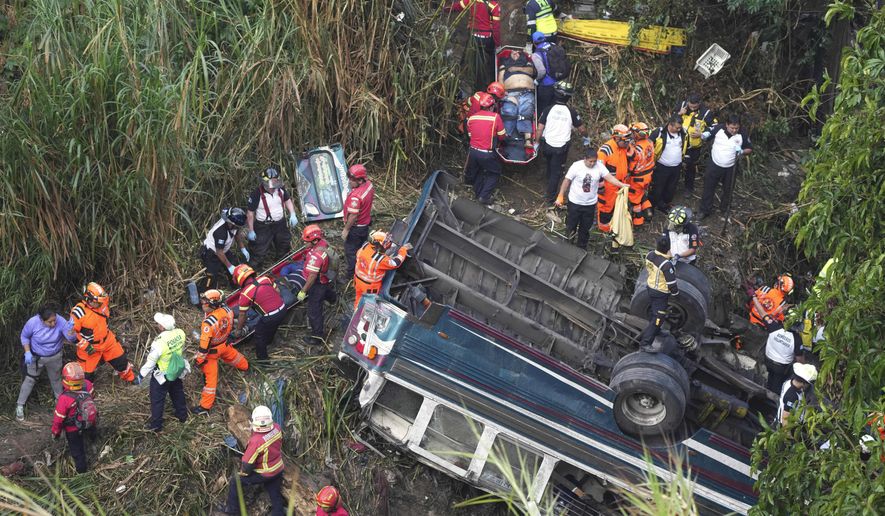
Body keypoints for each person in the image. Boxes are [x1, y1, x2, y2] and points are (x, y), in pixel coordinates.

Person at [554, 147, 628, 249]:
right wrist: (560, 195)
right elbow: (567, 181)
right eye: (590, 161)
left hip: (590, 204)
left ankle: (581, 247)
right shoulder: (576, 166)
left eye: (594, 161)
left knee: (585, 228)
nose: (592, 164)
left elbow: (609, 177)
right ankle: (567, 245)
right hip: (575, 203)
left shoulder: (599, 167)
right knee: (571, 225)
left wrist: (622, 185)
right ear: (585, 159)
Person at [70, 282, 139, 385]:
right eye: (97, 302)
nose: (101, 304)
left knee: (121, 361)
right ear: (88, 300)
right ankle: (86, 393)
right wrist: (85, 346)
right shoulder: (78, 312)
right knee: (86, 374)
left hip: (107, 341)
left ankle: (130, 377)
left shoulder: (103, 303)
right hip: (89, 346)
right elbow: (71, 334)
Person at [220, 406, 285, 516]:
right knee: (274, 492)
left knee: (236, 481)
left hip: (265, 472)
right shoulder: (277, 428)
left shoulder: (256, 441)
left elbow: (247, 465)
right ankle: (279, 512)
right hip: (278, 468)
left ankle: (232, 511)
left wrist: (244, 474)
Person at [193, 290, 248, 415]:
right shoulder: (228, 311)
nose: (202, 305)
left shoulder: (208, 323)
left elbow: (203, 348)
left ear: (212, 305)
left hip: (211, 353)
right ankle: (246, 367)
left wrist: (198, 361)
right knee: (237, 358)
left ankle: (204, 407)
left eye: (204, 303)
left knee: (210, 382)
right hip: (225, 344)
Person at [16, 306, 75, 421]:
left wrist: (71, 330)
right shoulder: (33, 323)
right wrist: (27, 352)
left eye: (54, 321)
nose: (53, 324)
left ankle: (61, 406)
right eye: (50, 322)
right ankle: (20, 405)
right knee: (29, 380)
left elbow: (71, 339)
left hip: (55, 356)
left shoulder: (60, 320)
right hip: (36, 357)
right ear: (42, 320)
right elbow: (24, 336)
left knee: (56, 380)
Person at [536, 81, 588, 204]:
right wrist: (586, 137)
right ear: (568, 96)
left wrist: (536, 142)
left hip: (547, 145)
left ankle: (548, 181)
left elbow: (540, 128)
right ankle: (550, 199)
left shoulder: (548, 109)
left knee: (549, 164)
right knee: (556, 173)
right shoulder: (572, 112)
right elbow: (582, 129)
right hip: (561, 148)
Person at [748, 290, 806, 392]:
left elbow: (762, 312)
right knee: (777, 386)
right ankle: (773, 396)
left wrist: (753, 297)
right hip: (782, 368)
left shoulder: (774, 326)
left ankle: (766, 386)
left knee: (770, 377)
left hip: (768, 361)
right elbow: (800, 361)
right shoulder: (797, 339)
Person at [140, 313, 190, 431]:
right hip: (176, 370)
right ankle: (182, 415)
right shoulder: (180, 333)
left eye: (158, 324)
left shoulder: (159, 342)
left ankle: (156, 425)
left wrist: (141, 375)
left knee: (157, 399)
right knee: (177, 392)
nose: (157, 325)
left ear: (162, 327)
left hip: (162, 375)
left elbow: (151, 362)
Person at [698, 115, 753, 220]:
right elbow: (707, 134)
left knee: (728, 188)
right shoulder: (719, 128)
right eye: (732, 128)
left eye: (736, 128)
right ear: (727, 125)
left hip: (731, 167)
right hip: (715, 163)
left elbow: (749, 149)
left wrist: (742, 151)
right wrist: (704, 135)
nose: (734, 130)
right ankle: (705, 210)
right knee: (709, 187)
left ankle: (724, 208)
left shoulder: (743, 133)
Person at [245, 168, 300, 268]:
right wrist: (251, 230)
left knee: (284, 243)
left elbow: (287, 200)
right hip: (263, 226)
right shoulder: (256, 194)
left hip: (280, 224)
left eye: (275, 183)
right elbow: (250, 213)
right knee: (259, 249)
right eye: (270, 184)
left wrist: (292, 214)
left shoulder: (280, 189)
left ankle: (282, 264)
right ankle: (255, 270)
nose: (272, 187)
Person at [232, 264, 286, 361]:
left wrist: (238, 330)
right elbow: (277, 291)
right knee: (272, 326)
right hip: (283, 308)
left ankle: (263, 360)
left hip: (271, 316)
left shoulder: (245, 293)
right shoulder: (265, 279)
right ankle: (269, 341)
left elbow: (242, 315)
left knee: (259, 334)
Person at [51, 362, 97, 474]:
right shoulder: (88, 385)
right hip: (90, 421)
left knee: (77, 451)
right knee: (92, 433)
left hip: (73, 430)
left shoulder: (64, 399)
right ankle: (94, 443)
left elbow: (59, 419)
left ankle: (82, 472)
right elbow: (92, 397)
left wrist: (55, 433)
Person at [298, 225, 338, 346]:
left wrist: (304, 290)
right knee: (326, 291)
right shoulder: (323, 243)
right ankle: (334, 298)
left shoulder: (316, 256)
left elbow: (312, 277)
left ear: (314, 240)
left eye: (307, 242)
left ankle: (317, 337)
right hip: (324, 279)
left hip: (317, 283)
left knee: (314, 311)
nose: (305, 243)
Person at [448, 0, 501, 91]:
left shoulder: (472, 0)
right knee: (492, 58)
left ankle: (460, 75)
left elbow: (457, 6)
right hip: (486, 38)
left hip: (473, 37)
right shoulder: (494, 6)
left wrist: (444, 9)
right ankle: (492, 82)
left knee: (470, 60)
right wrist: (497, 44)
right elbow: (496, 28)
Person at [465, 92, 507, 205]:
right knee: (494, 173)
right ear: (492, 106)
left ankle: (478, 194)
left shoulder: (472, 118)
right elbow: (502, 135)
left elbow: (470, 135)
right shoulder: (495, 117)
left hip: (473, 152)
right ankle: (484, 197)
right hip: (486, 153)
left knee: (478, 172)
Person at [354, 231, 413, 309]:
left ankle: (356, 310)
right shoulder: (380, 260)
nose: (388, 243)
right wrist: (403, 250)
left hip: (357, 280)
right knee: (368, 305)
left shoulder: (365, 246)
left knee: (358, 298)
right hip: (370, 287)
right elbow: (395, 263)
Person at [639, 235, 678, 350]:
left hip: (650, 288)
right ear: (668, 248)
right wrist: (676, 294)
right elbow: (671, 284)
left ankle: (657, 331)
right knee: (658, 318)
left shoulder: (650, 255)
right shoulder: (666, 265)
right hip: (660, 293)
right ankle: (645, 343)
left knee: (653, 312)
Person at [595, 125, 635, 232]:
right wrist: (600, 186)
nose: (627, 143)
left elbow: (632, 156)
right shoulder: (605, 150)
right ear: (616, 138)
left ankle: (614, 225)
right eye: (625, 141)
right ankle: (604, 229)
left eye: (628, 140)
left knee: (617, 207)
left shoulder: (623, 147)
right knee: (606, 207)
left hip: (620, 184)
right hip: (608, 187)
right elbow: (598, 168)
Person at [674, 93, 716, 194]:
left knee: (690, 167)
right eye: (690, 106)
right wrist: (679, 113)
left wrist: (702, 134)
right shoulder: (682, 105)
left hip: (693, 146)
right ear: (688, 102)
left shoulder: (706, 113)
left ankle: (688, 188)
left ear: (699, 103)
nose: (692, 109)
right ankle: (673, 185)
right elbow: (671, 119)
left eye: (695, 107)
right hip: (678, 142)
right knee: (674, 164)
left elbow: (714, 127)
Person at [341, 164, 375, 281]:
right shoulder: (369, 185)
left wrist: (346, 229)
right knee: (362, 248)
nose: (349, 182)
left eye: (352, 179)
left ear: (360, 180)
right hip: (365, 224)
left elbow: (353, 215)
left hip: (356, 228)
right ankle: (362, 266)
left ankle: (351, 275)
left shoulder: (356, 196)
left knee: (350, 251)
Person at [201, 207, 249, 289]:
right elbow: (219, 252)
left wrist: (243, 248)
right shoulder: (220, 232)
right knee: (211, 276)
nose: (238, 228)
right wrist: (229, 266)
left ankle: (236, 287)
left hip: (224, 250)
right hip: (212, 253)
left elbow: (237, 234)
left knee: (236, 269)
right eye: (237, 226)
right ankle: (207, 294)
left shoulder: (233, 225)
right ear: (231, 224)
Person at [648, 115, 686, 212]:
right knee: (657, 187)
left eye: (680, 127)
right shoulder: (659, 132)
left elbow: (685, 145)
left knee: (671, 187)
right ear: (670, 125)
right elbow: (648, 145)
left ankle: (664, 205)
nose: (679, 129)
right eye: (677, 127)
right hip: (662, 166)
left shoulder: (683, 133)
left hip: (676, 167)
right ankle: (651, 206)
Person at [627, 122, 655, 226]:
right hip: (648, 175)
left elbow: (631, 161)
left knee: (635, 200)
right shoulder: (650, 142)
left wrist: (628, 173)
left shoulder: (636, 149)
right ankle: (648, 212)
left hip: (637, 178)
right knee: (642, 194)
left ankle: (638, 221)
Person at [530, 33, 562, 116]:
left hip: (546, 86)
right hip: (559, 82)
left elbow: (542, 71)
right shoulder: (553, 45)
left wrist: (536, 81)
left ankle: (541, 126)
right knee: (554, 108)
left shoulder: (536, 55)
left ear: (534, 42)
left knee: (543, 109)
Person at [777, 363, 817, 428]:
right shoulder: (792, 396)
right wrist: (788, 436)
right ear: (804, 383)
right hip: (789, 426)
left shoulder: (791, 381)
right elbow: (785, 418)